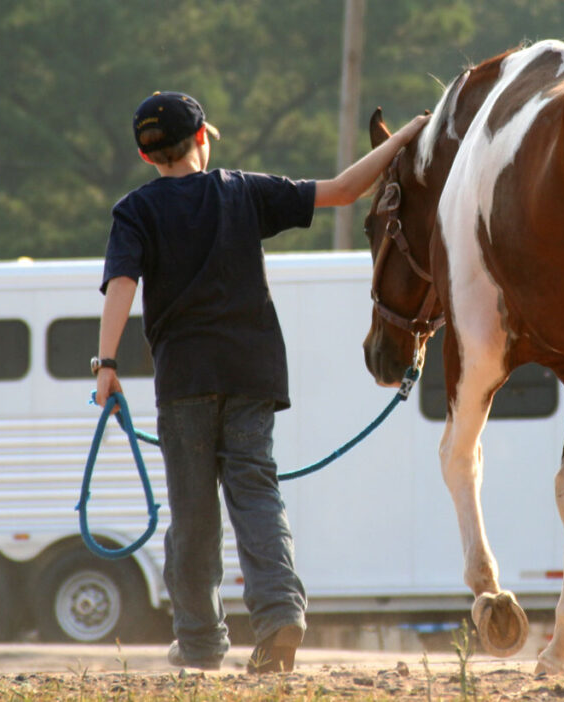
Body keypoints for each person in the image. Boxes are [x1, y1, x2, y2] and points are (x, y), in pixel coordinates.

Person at [94, 91, 428, 673]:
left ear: (149, 158)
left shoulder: (135, 211)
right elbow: (344, 190)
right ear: (202, 140)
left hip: (185, 380)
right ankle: (279, 616)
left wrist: (107, 366)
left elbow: (122, 282)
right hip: (253, 374)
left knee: (193, 513)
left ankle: (199, 643)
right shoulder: (242, 190)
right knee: (256, 496)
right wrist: (404, 137)